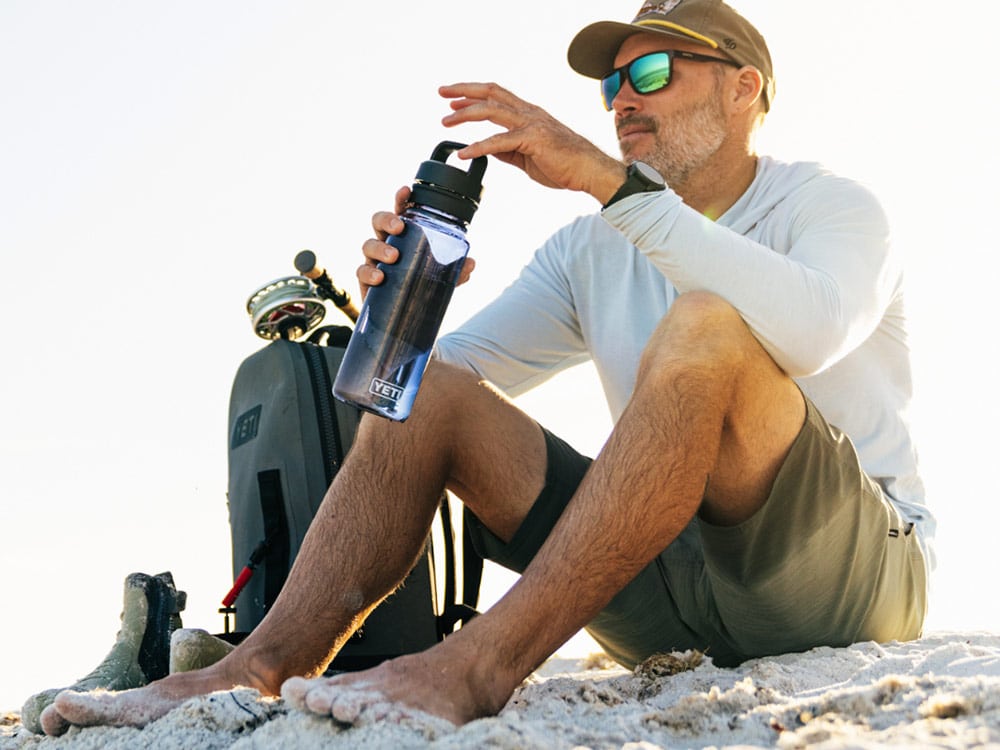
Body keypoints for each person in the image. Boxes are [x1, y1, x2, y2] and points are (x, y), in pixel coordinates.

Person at [38, 0, 933, 735]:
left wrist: (611, 186)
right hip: (670, 590)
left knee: (709, 326)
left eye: (653, 72)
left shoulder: (834, 208)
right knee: (422, 393)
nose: (622, 99)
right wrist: (406, 306)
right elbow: (415, 401)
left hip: (843, 582)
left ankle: (478, 663)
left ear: (746, 90)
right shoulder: (589, 247)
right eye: (613, 82)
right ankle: (254, 665)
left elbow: (810, 331)